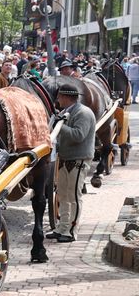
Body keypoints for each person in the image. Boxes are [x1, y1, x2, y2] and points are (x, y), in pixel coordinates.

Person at [48, 83, 96, 243]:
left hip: (78, 159)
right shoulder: (66, 112)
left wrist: (59, 126)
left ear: (67, 97)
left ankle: (71, 231)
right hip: (65, 158)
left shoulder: (83, 113)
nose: (57, 100)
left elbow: (78, 135)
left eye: (59, 96)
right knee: (62, 194)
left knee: (74, 196)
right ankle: (62, 227)